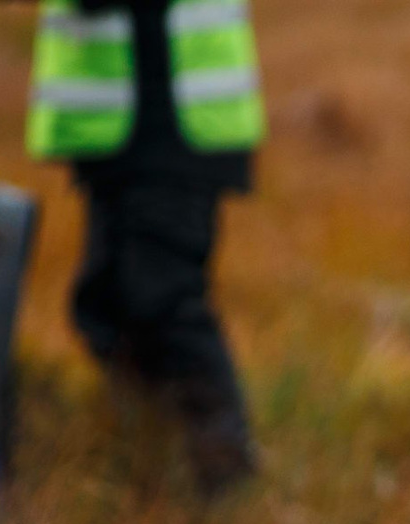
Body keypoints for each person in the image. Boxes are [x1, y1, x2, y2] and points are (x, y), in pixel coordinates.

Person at [19, 0, 263, 493]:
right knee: (107, 305)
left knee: (162, 303)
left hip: (176, 121)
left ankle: (225, 477)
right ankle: (149, 457)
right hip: (125, 126)